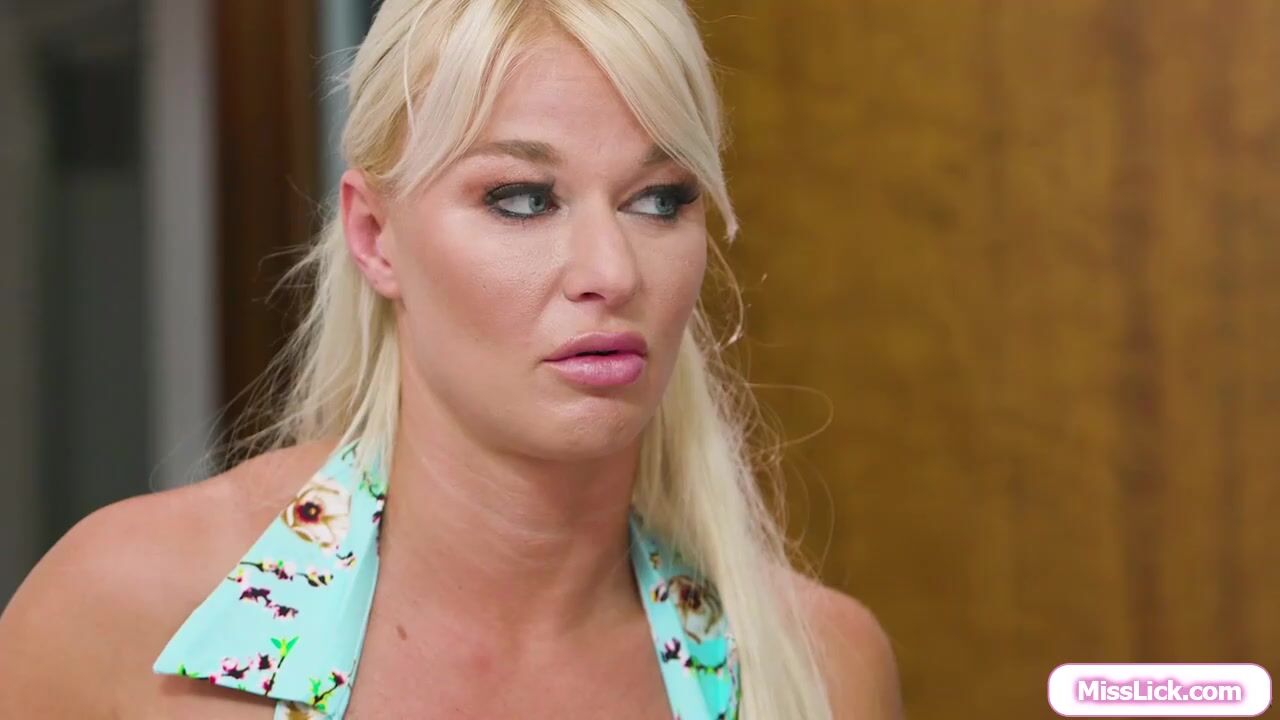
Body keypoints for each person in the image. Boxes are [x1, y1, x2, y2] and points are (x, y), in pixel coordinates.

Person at [0, 1, 903, 717]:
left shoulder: (816, 668)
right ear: (374, 235)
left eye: (660, 200)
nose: (612, 271)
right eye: (523, 198)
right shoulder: (129, 616)